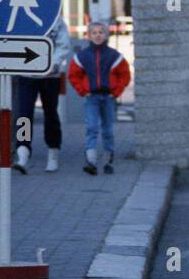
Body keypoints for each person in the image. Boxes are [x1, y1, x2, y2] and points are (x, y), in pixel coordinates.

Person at [67, 20, 130, 175]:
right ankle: (91, 161)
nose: (98, 35)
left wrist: (116, 92)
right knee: (91, 128)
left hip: (108, 97)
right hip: (91, 98)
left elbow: (125, 75)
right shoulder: (82, 56)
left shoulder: (114, 56)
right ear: (88, 36)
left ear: (106, 35)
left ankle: (108, 161)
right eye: (94, 32)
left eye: (101, 32)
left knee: (108, 130)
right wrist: (83, 91)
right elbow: (73, 75)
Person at [13, 15, 73, 173]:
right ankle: (23, 151)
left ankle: (53, 151)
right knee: (24, 115)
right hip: (26, 75)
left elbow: (63, 44)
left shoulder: (56, 19)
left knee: (50, 113)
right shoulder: (21, 17)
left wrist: (52, 64)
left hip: (50, 76)